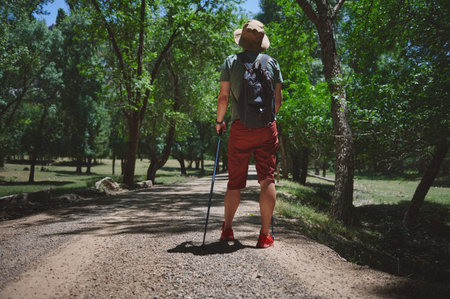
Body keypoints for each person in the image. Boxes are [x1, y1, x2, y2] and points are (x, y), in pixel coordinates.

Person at [215, 20, 283, 248]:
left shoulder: (231, 62)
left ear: (242, 40)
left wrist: (219, 121)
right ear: (261, 42)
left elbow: (223, 97)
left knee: (234, 182)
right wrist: (266, 120)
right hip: (267, 128)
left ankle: (227, 230)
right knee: (267, 178)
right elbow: (278, 101)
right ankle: (264, 236)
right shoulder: (272, 63)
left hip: (240, 128)